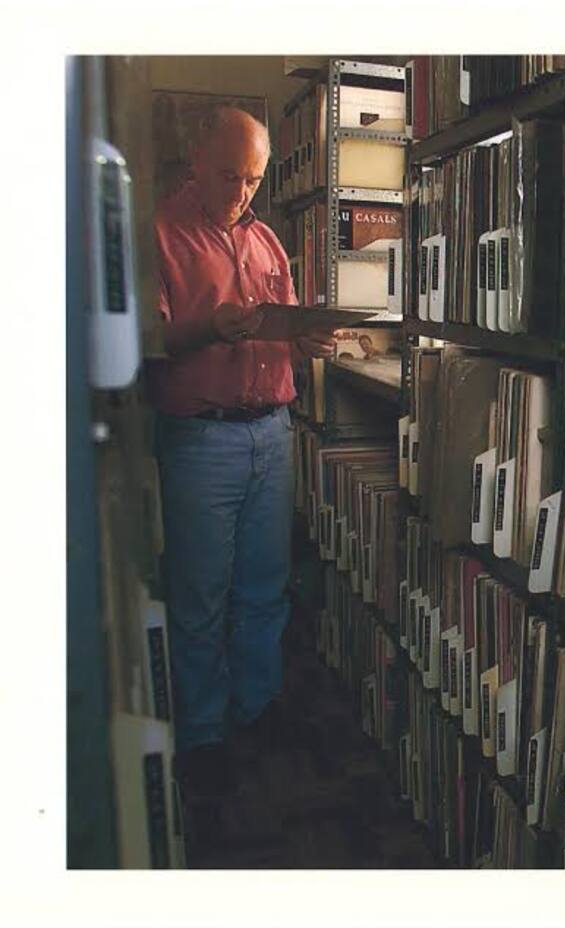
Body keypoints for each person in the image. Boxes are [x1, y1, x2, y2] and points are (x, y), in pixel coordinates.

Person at [150, 106, 335, 796]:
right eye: (230, 176)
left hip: (271, 430)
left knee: (264, 585)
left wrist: (306, 339)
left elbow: (283, 330)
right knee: (199, 594)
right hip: (201, 437)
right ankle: (203, 735)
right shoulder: (160, 233)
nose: (242, 192)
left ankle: (256, 709)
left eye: (253, 180)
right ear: (196, 161)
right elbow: (151, 342)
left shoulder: (267, 240)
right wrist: (211, 327)